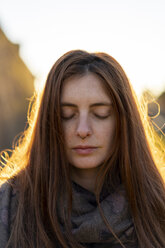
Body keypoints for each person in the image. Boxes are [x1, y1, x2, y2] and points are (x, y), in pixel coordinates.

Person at [0, 50, 165, 248]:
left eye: (101, 113)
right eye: (67, 114)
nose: (83, 130)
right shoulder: (9, 204)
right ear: (49, 120)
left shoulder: (158, 207)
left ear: (124, 121)